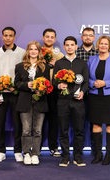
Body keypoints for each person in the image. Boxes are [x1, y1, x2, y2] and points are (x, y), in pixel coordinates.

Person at [0, 27, 25, 162]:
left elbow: (24, 74)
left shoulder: (22, 53)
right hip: (0, 94)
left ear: (14, 37)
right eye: (6, 35)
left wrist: (16, 88)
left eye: (11, 35)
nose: (8, 38)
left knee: (18, 123)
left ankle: (17, 150)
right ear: (2, 37)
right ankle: (0, 151)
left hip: (16, 93)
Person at [87, 35, 110, 165]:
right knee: (96, 124)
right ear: (98, 45)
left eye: (105, 44)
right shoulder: (91, 59)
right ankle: (98, 154)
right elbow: (86, 78)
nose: (103, 46)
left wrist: (105, 83)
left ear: (109, 46)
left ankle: (108, 154)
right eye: (101, 43)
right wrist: (93, 84)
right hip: (94, 97)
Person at [53, 36, 89, 167]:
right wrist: (58, 86)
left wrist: (82, 92)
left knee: (79, 130)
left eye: (72, 45)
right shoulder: (59, 63)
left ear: (75, 47)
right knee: (63, 130)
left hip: (78, 102)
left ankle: (78, 157)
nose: (69, 47)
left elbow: (86, 82)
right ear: (64, 47)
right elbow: (54, 81)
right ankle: (65, 157)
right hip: (62, 101)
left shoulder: (82, 63)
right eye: (67, 45)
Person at [14, 41, 51, 165]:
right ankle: (27, 153)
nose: (33, 51)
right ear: (28, 51)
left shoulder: (44, 66)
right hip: (24, 101)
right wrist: (27, 85)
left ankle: (35, 153)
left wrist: (40, 88)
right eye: (31, 49)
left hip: (40, 102)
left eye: (36, 49)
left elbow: (48, 84)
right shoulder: (20, 66)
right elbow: (17, 84)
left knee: (37, 130)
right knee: (26, 130)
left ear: (39, 51)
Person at [41, 28, 64, 157]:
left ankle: (53, 147)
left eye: (52, 37)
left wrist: (56, 64)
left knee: (54, 121)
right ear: (43, 38)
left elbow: (63, 73)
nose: (49, 39)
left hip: (55, 92)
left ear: (54, 39)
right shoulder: (36, 53)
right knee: (38, 120)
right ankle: (36, 147)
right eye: (47, 36)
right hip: (40, 90)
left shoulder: (59, 55)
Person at [76, 27, 99, 154]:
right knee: (78, 123)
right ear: (82, 37)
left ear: (94, 38)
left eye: (90, 35)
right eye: (85, 35)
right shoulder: (76, 52)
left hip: (95, 93)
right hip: (78, 93)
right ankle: (78, 149)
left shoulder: (99, 52)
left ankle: (95, 148)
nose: (88, 37)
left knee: (95, 122)